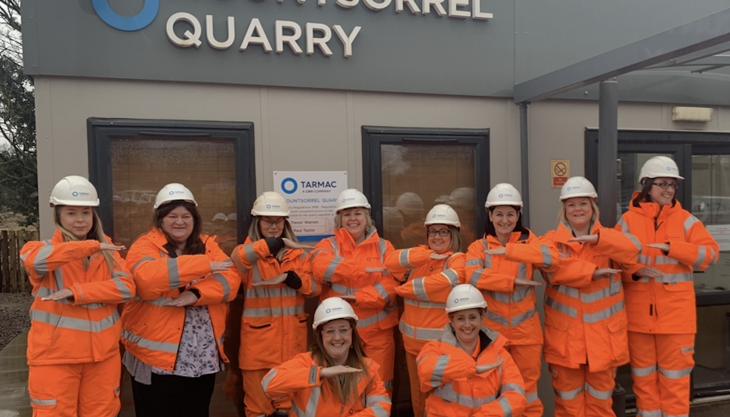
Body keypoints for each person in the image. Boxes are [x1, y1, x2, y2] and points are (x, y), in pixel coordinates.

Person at [121, 183, 240, 417]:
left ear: (194, 219)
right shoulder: (145, 245)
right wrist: (203, 266)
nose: (180, 222)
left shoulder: (208, 245)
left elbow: (230, 281)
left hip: (202, 358)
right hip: (156, 360)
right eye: (172, 216)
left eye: (186, 216)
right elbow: (146, 281)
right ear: (160, 219)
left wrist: (195, 294)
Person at [21, 175, 135, 417]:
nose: (80, 219)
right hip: (55, 360)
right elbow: (36, 263)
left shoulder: (108, 253)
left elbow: (127, 288)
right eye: (71, 213)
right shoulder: (37, 250)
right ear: (58, 216)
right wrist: (91, 246)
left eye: (86, 212)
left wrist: (79, 292)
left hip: (102, 357)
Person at [617, 157, 719, 417]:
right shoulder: (627, 221)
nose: (669, 189)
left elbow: (710, 255)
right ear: (647, 186)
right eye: (662, 183)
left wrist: (674, 249)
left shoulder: (686, 221)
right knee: (644, 382)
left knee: (675, 384)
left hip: (676, 321)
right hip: (638, 319)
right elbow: (614, 260)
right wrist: (635, 271)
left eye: (672, 185)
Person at [543, 176, 641, 416]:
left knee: (601, 406)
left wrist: (599, 240)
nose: (577, 209)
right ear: (564, 209)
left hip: (603, 343)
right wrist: (593, 272)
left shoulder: (609, 239)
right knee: (568, 407)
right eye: (572, 204)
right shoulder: (551, 242)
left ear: (593, 206)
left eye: (583, 203)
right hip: (566, 342)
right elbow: (554, 271)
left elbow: (633, 251)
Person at [465, 183, 559, 417]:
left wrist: (512, 251)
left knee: (527, 393)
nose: (505, 220)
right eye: (499, 214)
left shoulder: (530, 242)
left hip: (526, 334)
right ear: (490, 215)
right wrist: (511, 282)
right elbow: (473, 276)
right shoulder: (479, 247)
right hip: (492, 335)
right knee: (494, 391)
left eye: (510, 214)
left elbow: (551, 259)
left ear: (518, 215)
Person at [231, 191, 321, 417]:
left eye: (278, 221)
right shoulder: (247, 255)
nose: (273, 225)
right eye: (267, 221)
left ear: (285, 222)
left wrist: (292, 279)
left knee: (290, 409)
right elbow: (239, 259)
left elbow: (315, 288)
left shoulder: (298, 255)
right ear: (257, 222)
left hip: (293, 348)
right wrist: (275, 243)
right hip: (258, 353)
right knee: (258, 410)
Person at [310, 188, 401, 394]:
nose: (353, 219)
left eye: (357, 213)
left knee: (380, 387)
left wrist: (358, 297)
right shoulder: (328, 245)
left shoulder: (385, 247)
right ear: (339, 219)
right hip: (339, 336)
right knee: (341, 389)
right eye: (347, 214)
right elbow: (319, 267)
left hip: (378, 335)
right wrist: (359, 270)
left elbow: (391, 286)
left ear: (366, 217)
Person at [384, 203, 465, 417]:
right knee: (418, 402)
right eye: (432, 232)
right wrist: (426, 255)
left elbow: (444, 284)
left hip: (442, 348)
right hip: (412, 347)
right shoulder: (421, 258)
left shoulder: (457, 260)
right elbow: (390, 262)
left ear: (454, 234)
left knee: (442, 403)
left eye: (443, 232)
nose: (437, 237)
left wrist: (403, 289)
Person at [261, 297, 392, 416]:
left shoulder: (367, 368)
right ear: (320, 335)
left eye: (343, 330)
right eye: (330, 331)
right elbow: (268, 384)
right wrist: (319, 373)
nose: (337, 337)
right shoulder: (306, 362)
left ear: (352, 332)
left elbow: (382, 408)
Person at [417, 284, 526, 416]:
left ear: (482, 317)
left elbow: (516, 397)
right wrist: (470, 368)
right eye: (460, 318)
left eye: (472, 317)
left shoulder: (500, 355)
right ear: (452, 320)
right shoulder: (435, 349)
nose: (467, 325)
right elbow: (425, 371)